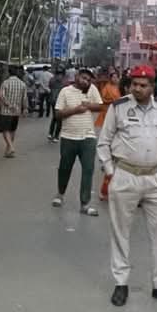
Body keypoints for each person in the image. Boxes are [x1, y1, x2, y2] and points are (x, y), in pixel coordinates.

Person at [97, 64, 157, 308]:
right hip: (126, 175)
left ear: (153, 87)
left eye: (143, 85)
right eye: (134, 84)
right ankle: (121, 283)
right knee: (121, 232)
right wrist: (111, 172)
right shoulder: (118, 108)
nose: (138, 88)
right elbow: (104, 142)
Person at [52, 67, 104, 215]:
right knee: (64, 168)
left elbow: (99, 106)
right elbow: (58, 114)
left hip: (88, 137)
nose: (86, 81)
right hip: (69, 137)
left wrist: (88, 105)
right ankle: (60, 194)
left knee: (88, 170)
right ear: (76, 77)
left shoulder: (92, 90)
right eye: (83, 78)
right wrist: (75, 110)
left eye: (88, 79)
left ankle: (85, 204)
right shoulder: (65, 91)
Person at [95, 69, 122, 200]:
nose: (115, 79)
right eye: (114, 77)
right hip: (106, 115)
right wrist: (112, 102)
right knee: (106, 142)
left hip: (119, 118)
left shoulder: (120, 88)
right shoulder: (106, 87)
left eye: (117, 77)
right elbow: (102, 100)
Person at [0, 64, 28, 158]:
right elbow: (25, 98)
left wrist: (9, 105)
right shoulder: (22, 84)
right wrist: (25, 108)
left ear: (9, 73)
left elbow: (2, 96)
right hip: (16, 111)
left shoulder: (5, 83)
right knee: (12, 130)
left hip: (6, 111)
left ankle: (11, 146)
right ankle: (8, 151)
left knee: (5, 130)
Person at [47, 68, 68, 142]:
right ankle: (55, 136)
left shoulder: (52, 80)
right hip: (58, 101)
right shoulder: (64, 81)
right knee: (58, 118)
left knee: (55, 118)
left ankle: (51, 134)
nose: (59, 76)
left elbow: (49, 86)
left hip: (54, 100)